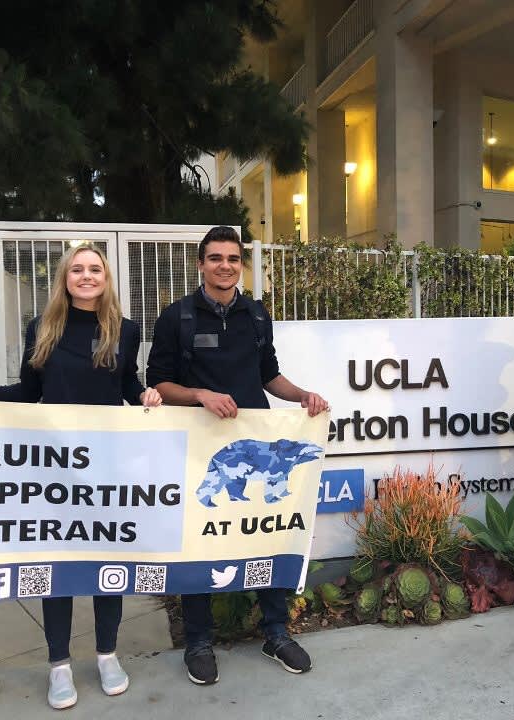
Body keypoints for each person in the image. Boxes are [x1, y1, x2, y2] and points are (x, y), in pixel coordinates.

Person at [0, 244, 163, 708]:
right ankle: (59, 664)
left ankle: (107, 654)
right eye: (77, 269)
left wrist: (146, 397)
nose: (86, 276)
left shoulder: (125, 330)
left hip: (108, 464)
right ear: (64, 278)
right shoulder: (42, 327)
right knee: (56, 563)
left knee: (110, 561)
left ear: (106, 278)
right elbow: (28, 390)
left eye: (94, 269)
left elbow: (127, 388)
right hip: (56, 467)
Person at [146, 225, 328, 685]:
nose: (224, 266)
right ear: (201, 264)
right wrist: (201, 394)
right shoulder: (177, 317)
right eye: (215, 258)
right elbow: (158, 384)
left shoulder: (257, 315)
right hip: (200, 449)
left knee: (265, 533)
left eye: (232, 258)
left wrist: (304, 394)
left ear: (240, 265)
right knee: (201, 538)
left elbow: (269, 375)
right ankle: (198, 641)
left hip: (257, 450)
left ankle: (275, 631)